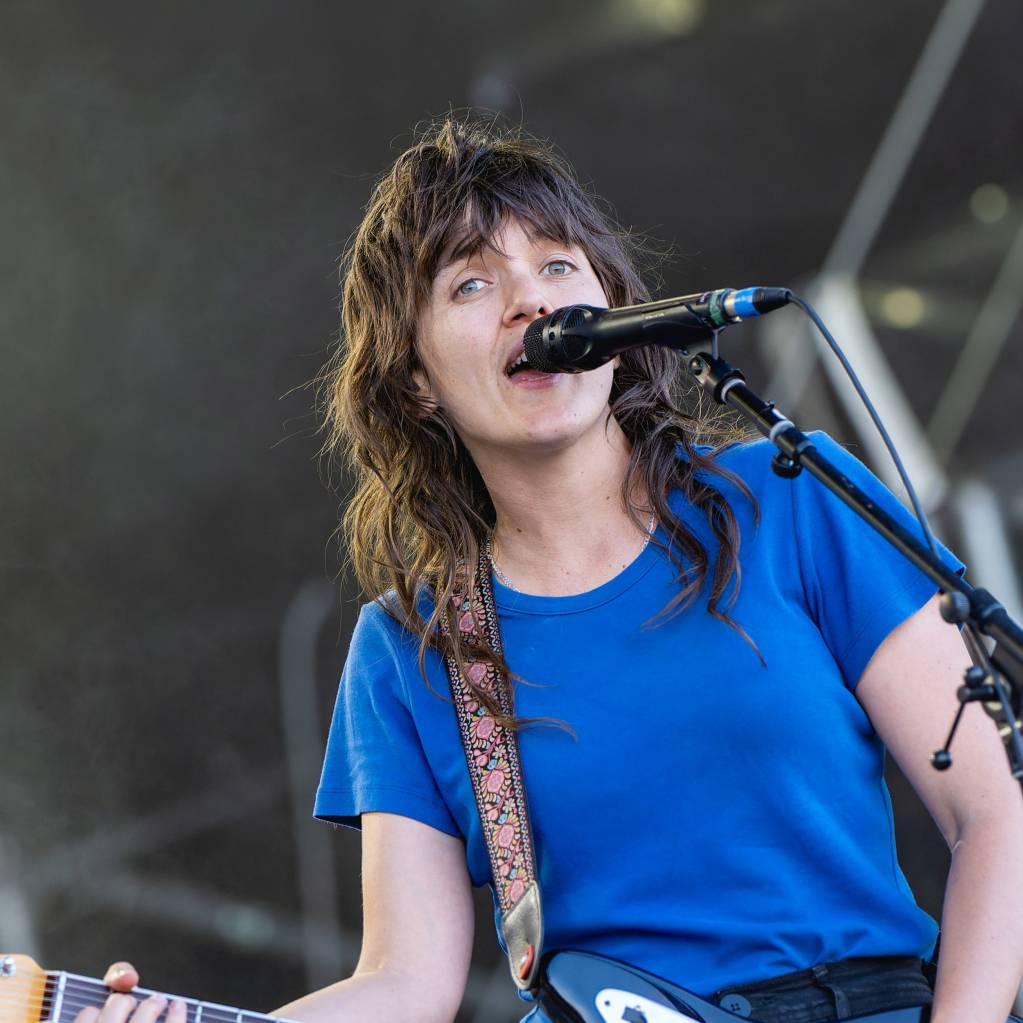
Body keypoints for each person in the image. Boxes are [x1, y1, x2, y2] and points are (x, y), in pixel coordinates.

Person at [81, 119, 1023, 1023]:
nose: (531, 302)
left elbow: (994, 815)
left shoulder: (785, 498)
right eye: (470, 284)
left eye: (558, 266)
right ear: (414, 378)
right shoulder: (414, 644)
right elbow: (405, 985)